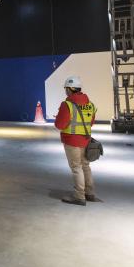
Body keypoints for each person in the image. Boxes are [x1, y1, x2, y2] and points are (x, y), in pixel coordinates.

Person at [54, 76, 100, 206]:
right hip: (86, 140)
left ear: (70, 89)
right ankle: (90, 193)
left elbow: (60, 125)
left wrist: (59, 118)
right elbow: (90, 123)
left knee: (76, 167)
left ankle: (79, 196)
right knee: (85, 166)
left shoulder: (67, 105)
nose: (65, 91)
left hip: (71, 141)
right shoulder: (90, 104)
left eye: (66, 89)